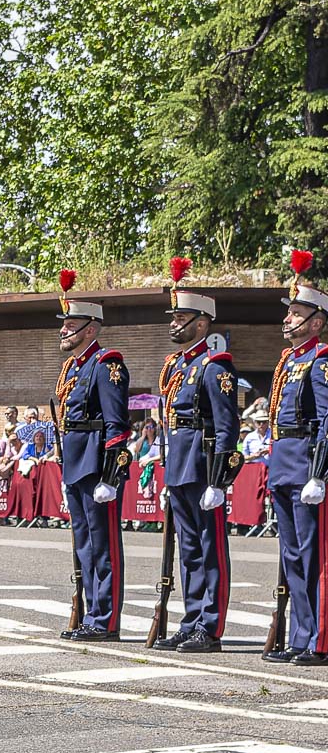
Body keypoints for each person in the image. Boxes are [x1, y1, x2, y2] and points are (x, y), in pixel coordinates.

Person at [154, 265, 242, 653]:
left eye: (181, 318)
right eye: (173, 318)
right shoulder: (179, 367)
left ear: (202, 323)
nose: (174, 325)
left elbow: (227, 426)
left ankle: (210, 626)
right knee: (188, 551)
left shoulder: (214, 366)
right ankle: (190, 621)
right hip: (180, 467)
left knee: (210, 550)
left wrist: (220, 482)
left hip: (204, 469)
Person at [54, 277, 132, 640]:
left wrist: (110, 478)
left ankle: (106, 620)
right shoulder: (73, 368)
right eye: (64, 324)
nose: (64, 330)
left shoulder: (106, 364)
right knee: (84, 544)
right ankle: (90, 613)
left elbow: (117, 425)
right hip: (75, 463)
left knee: (103, 546)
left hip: (96, 465)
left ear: (91, 329)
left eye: (71, 325)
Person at [265, 252, 328, 664]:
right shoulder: (289, 362)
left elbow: (326, 419)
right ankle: (301, 635)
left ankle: (318, 638)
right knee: (291, 557)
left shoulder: (321, 360)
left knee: (312, 555)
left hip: (306, 464)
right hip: (283, 463)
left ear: (317, 322)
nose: (288, 319)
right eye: (289, 312)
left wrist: (319, 474)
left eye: (297, 313)